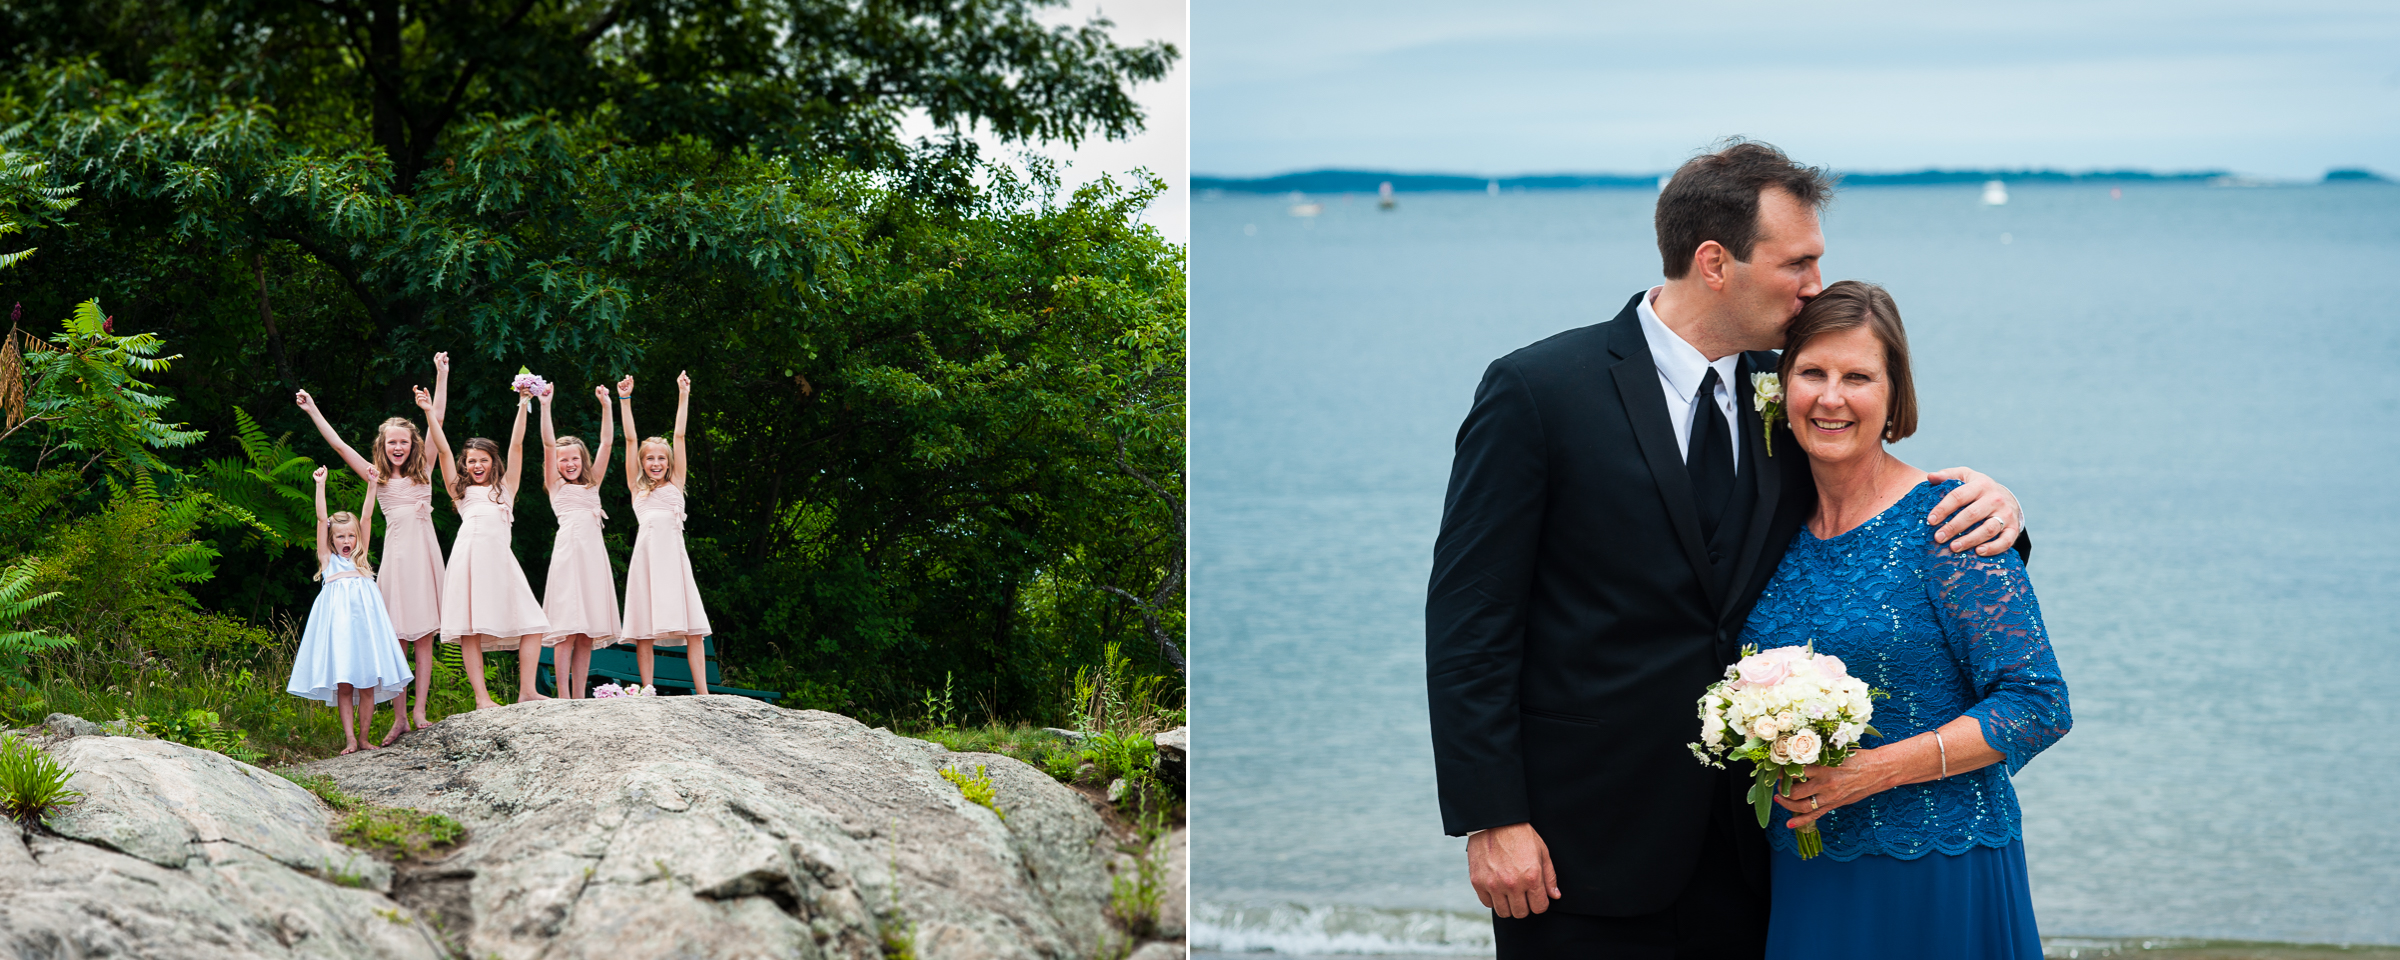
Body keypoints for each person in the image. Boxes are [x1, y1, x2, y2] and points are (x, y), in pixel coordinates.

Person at [1424, 139, 2030, 958]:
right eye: (1799, 263)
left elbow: (1872, 519)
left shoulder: (1796, 389)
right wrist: (1492, 816)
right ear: (1716, 262)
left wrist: (2001, 515)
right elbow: (1471, 619)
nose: (1816, 285)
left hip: (1761, 851)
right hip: (1579, 846)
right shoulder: (1539, 391)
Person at [1745, 281, 2067, 959]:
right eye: (1812, 373)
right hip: (1803, 873)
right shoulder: (1765, 526)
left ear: (1895, 396)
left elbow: (2038, 703)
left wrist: (1874, 771)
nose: (1831, 397)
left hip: (1941, 871)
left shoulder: (1949, 520)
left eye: (1858, 376)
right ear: (1781, 389)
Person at [294, 353, 449, 742]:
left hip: (426, 555)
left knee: (425, 637)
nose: (399, 447)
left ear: (413, 446)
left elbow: (438, 423)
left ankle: (420, 711)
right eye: (392, 442)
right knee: (394, 637)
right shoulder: (375, 477)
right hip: (396, 558)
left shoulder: (425, 468)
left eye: (405, 442)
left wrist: (441, 377)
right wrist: (313, 410)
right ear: (383, 446)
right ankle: (398, 718)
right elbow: (340, 445)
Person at [424, 384, 552, 709]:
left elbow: (518, 444)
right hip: (469, 559)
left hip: (501, 562)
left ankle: (526, 690)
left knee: (533, 622)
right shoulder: (460, 491)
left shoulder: (506, 487)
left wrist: (524, 404)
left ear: (493, 461)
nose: (477, 466)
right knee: (471, 629)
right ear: (464, 465)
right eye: (471, 461)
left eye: (483, 460)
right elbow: (440, 451)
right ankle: (482, 699)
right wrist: (428, 412)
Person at [287, 467, 416, 755]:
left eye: (351, 537)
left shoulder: (361, 560)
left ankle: (365, 737)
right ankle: (350, 739)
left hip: (365, 626)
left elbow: (368, 516)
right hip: (339, 628)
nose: (346, 542)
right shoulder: (328, 560)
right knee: (344, 685)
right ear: (331, 540)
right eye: (340, 537)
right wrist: (320, 486)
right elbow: (322, 518)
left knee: (368, 682)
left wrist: (372, 484)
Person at [617, 372, 713, 695]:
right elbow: (630, 440)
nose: (655, 463)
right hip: (646, 559)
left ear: (669, 462)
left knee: (694, 628)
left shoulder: (676, 484)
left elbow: (680, 435)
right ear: (642, 464)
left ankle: (703, 693)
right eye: (650, 459)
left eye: (661, 458)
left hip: (674, 560)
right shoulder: (636, 488)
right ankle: (648, 689)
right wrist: (625, 400)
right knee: (645, 628)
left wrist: (683, 394)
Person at [538, 383, 621, 699]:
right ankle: (562, 695)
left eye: (574, 459)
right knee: (568, 630)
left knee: (586, 633)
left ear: (582, 461)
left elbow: (607, 442)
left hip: (593, 559)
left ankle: (579, 695)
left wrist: (607, 405)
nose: (569, 464)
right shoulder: (556, 486)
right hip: (569, 556)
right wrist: (546, 406)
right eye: (564, 460)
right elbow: (548, 444)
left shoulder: (593, 484)